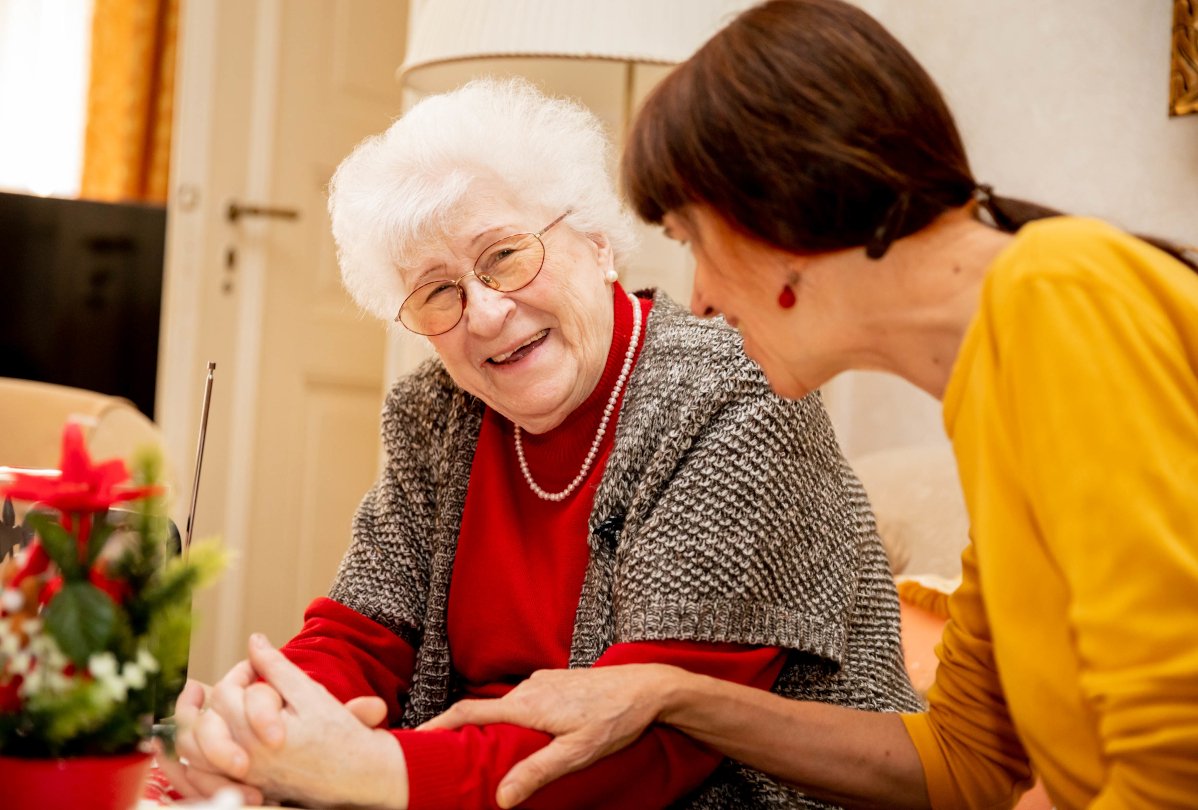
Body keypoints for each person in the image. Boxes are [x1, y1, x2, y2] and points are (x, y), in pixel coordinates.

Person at [420, 2, 1198, 808]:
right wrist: (668, 694)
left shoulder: (1062, 299)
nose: (703, 299)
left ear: (780, 210)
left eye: (692, 241)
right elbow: (961, 762)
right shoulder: (996, 375)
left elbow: (1175, 767)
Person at [154, 77, 922, 808]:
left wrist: (376, 770)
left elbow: (654, 745)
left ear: (596, 241)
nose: (484, 314)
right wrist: (260, 724)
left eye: (506, 257)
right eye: (437, 292)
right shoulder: (436, 410)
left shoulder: (736, 396)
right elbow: (364, 631)